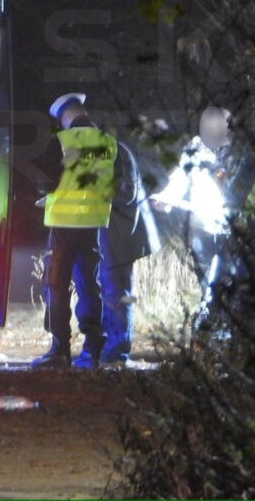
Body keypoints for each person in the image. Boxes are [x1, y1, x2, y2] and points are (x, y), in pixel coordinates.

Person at [32, 93, 130, 370]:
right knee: (90, 285)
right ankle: (92, 347)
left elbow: (48, 183)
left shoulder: (61, 141)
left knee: (56, 285)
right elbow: (118, 185)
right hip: (93, 224)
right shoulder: (109, 144)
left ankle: (60, 348)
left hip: (63, 224)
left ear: (64, 116)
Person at [150, 107, 232, 317]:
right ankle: (211, 321)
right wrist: (166, 199)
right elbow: (181, 176)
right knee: (204, 274)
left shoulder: (234, 149)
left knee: (226, 275)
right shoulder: (196, 147)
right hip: (200, 222)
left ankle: (219, 321)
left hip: (229, 226)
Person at [96, 139, 161, 366]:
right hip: (121, 234)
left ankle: (116, 351)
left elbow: (122, 194)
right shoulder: (117, 149)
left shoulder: (111, 151)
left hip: (118, 235)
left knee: (115, 292)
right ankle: (113, 348)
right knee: (115, 292)